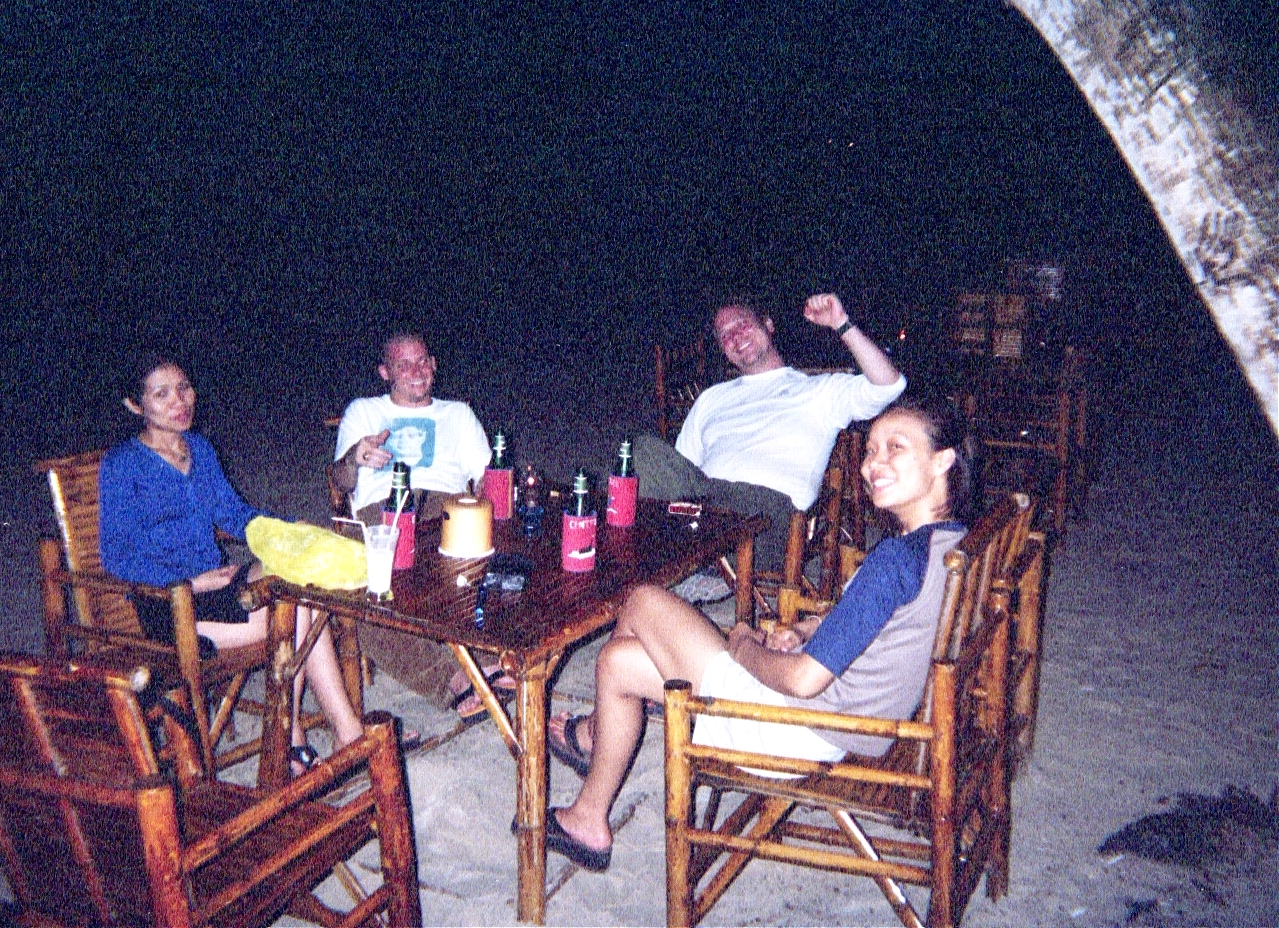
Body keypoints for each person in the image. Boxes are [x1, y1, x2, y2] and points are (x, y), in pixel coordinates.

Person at [538, 398, 974, 872]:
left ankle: (595, 734)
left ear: (942, 460)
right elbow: (881, 623)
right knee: (618, 662)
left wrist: (744, 647)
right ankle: (587, 819)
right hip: (843, 725)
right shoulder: (948, 543)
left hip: (792, 729)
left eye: (895, 448)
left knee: (642, 600)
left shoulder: (894, 560)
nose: (873, 464)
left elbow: (803, 680)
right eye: (870, 450)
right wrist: (809, 629)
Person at [99, 350, 364, 773]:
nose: (179, 401)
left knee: (300, 577)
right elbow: (117, 555)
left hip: (219, 586)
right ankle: (304, 735)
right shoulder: (122, 465)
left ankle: (329, 732)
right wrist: (189, 581)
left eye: (183, 388)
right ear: (135, 405)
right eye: (162, 394)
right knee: (295, 608)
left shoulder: (200, 450)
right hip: (170, 603)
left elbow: (235, 515)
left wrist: (285, 532)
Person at [636, 292, 906, 571]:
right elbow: (681, 471)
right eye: (725, 336)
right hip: (708, 509)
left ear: (768, 325)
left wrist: (841, 323)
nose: (735, 337)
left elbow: (890, 385)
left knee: (705, 512)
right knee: (643, 452)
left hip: (768, 517)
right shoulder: (711, 398)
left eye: (742, 324)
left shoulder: (819, 390)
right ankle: (669, 558)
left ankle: (682, 559)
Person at [332, 333, 511, 722]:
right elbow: (342, 482)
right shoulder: (363, 411)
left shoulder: (458, 414)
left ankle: (484, 657)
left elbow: (489, 478)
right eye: (404, 364)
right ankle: (452, 678)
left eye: (423, 361)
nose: (417, 371)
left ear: (434, 364)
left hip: (447, 508)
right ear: (385, 372)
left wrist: (488, 497)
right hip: (383, 512)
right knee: (358, 601)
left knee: (492, 557)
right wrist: (354, 457)